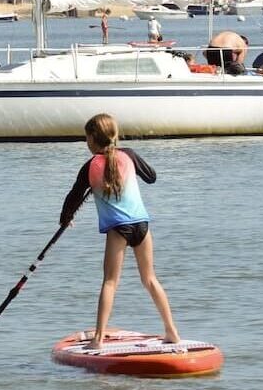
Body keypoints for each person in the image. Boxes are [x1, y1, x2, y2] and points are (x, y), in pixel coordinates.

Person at [57, 112, 181, 349]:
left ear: (94, 138)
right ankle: (172, 331)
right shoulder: (129, 155)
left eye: (87, 138)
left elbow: (73, 196)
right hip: (142, 226)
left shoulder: (89, 167)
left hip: (118, 230)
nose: (86, 143)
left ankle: (98, 339)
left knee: (110, 282)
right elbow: (152, 177)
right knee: (150, 279)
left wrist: (65, 219)